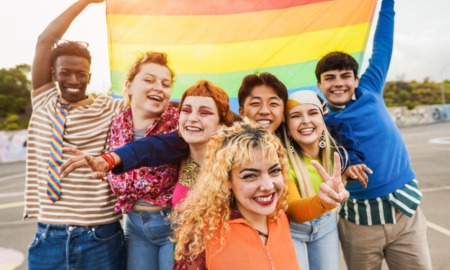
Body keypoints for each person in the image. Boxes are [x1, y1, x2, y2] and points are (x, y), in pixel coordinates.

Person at [315, 0, 432, 269]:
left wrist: (387, 5)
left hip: (405, 211)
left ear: (356, 80)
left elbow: (383, 45)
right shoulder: (318, 121)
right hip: (358, 222)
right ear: (320, 85)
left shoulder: (371, 88)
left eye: (345, 76)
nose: (338, 83)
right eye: (330, 78)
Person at [23, 0, 126, 269]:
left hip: (100, 236)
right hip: (49, 237)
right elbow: (45, 40)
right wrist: (84, 2)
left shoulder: (112, 107)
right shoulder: (44, 100)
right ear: (53, 74)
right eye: (65, 73)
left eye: (80, 74)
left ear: (89, 76)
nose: (73, 80)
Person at [170, 119, 346, 269]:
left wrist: (325, 201)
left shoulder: (280, 216)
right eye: (250, 176)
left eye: (274, 171)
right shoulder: (202, 236)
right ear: (226, 181)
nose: (268, 185)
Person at [104, 51, 180, 270]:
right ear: (128, 86)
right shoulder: (118, 122)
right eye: (149, 80)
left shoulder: (180, 121)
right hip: (135, 226)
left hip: (172, 226)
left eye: (165, 84)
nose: (159, 87)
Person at [283, 90, 348, 270]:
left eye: (312, 113)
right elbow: (293, 211)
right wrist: (323, 201)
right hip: (291, 231)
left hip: (326, 226)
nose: (305, 120)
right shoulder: (281, 161)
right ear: (287, 126)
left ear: (322, 118)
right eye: (295, 116)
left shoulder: (339, 153)